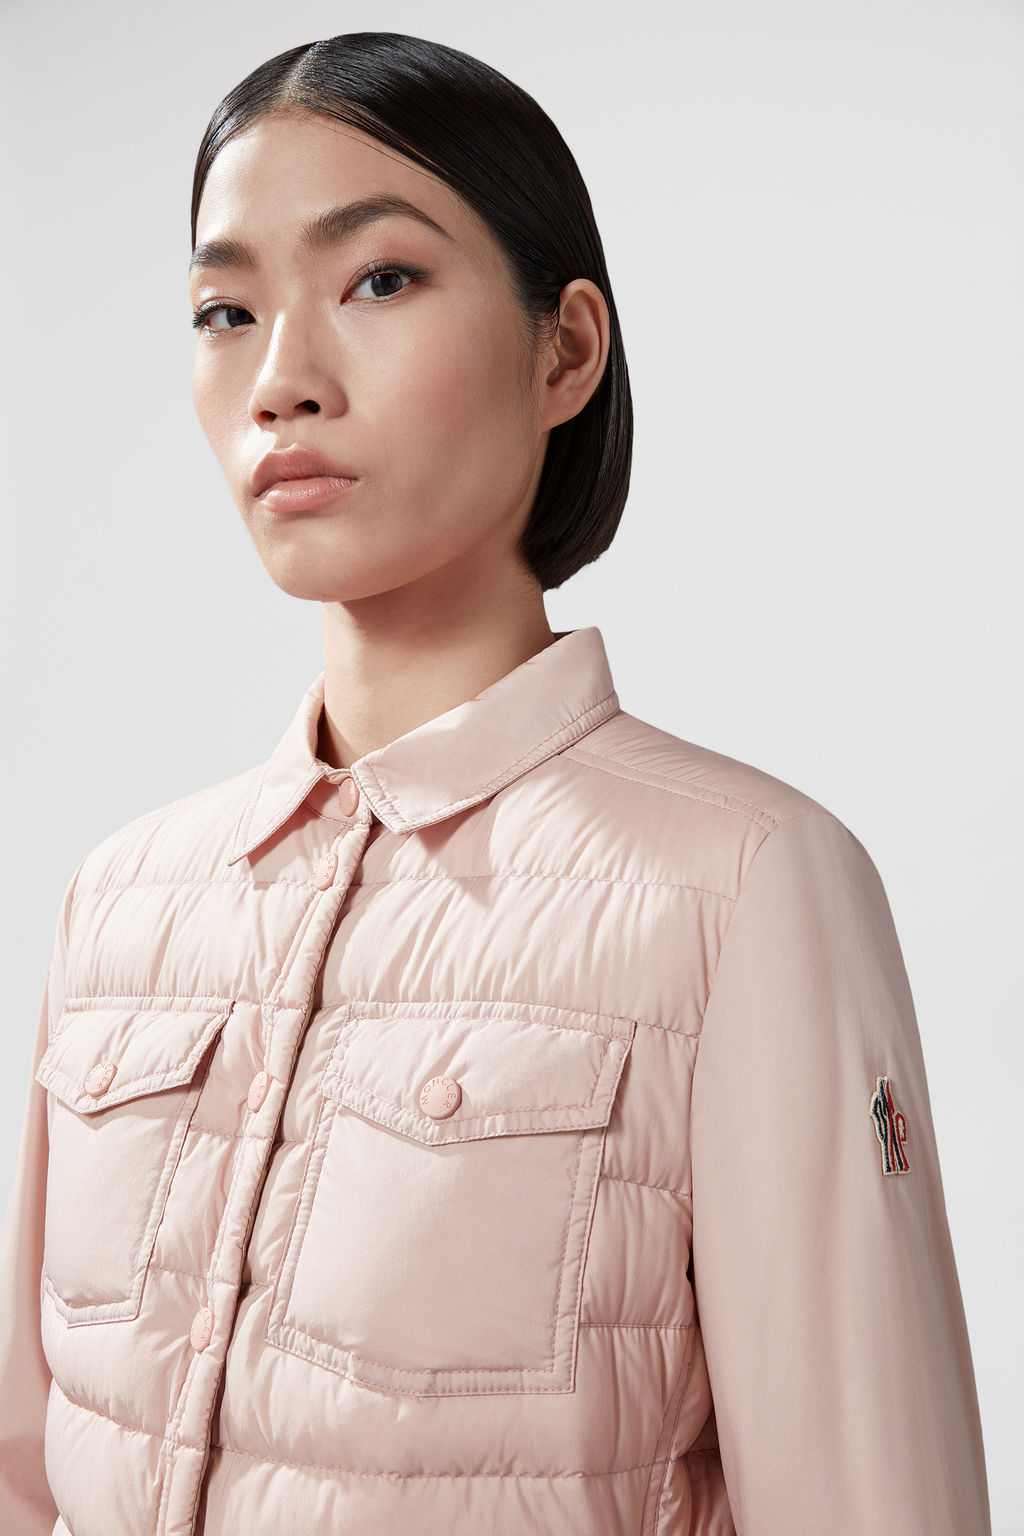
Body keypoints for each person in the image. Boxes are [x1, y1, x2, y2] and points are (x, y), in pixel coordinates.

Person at [0, 30, 991, 1536]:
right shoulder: (122, 905)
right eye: (224, 311)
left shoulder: (744, 887)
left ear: (564, 352)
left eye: (380, 279)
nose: (281, 381)